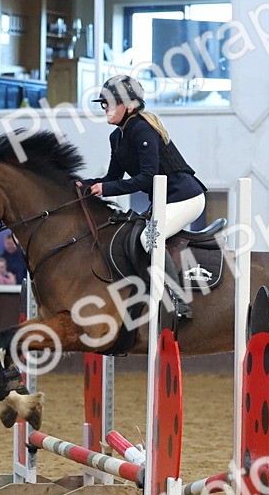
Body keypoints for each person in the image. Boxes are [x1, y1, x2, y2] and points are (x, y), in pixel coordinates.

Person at [83, 74, 207, 317]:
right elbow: (112, 177)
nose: (105, 107)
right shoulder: (116, 137)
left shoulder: (142, 128)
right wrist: (83, 185)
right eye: (103, 102)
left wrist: (106, 190)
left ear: (129, 105)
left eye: (110, 102)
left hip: (187, 198)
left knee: (147, 239)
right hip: (164, 200)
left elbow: (148, 177)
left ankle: (178, 301)